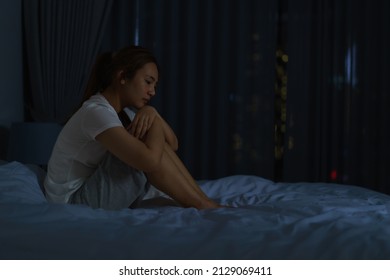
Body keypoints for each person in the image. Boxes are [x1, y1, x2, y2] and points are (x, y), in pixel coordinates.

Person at [44, 46, 221, 210]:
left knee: (149, 138)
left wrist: (153, 113)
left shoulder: (122, 113)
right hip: (74, 202)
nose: (153, 92)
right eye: (148, 82)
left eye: (155, 85)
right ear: (122, 77)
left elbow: (172, 144)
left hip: (91, 193)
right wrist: (155, 121)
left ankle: (203, 201)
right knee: (146, 141)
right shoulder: (96, 112)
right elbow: (150, 161)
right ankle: (202, 204)